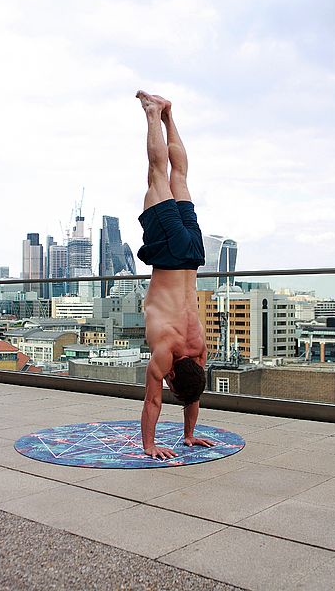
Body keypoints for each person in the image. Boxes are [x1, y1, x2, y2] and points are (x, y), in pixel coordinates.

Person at [136, 90, 215, 460]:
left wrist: (188, 436)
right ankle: (153, 113)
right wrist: (149, 445)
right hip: (167, 256)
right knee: (158, 175)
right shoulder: (166, 351)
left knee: (180, 177)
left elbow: (194, 392)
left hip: (193, 256)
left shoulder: (200, 352)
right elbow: (153, 402)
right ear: (171, 376)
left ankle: (169, 115)